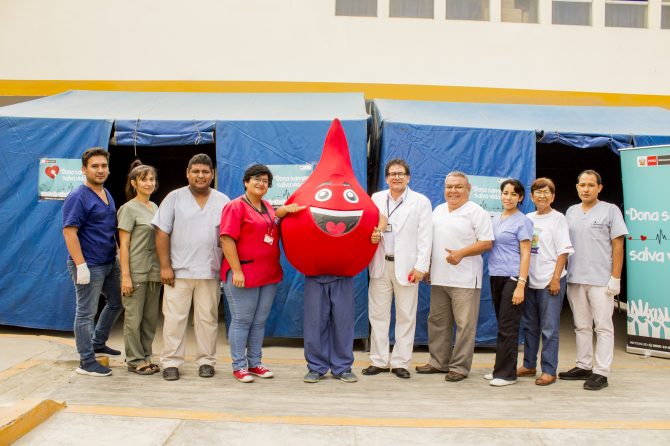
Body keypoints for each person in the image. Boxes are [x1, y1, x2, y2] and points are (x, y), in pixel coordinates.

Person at [220, 164, 305, 383]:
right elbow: (226, 239)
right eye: (256, 179)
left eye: (266, 181)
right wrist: (236, 270)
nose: (261, 183)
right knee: (241, 320)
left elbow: (274, 221)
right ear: (246, 182)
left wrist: (284, 212)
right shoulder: (235, 206)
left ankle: (255, 363)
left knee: (259, 322)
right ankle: (239, 366)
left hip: (268, 275)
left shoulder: (267, 206)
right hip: (243, 274)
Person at [152, 153, 230, 381]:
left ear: (212, 174)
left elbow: (229, 237)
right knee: (175, 319)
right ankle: (171, 362)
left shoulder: (223, 200)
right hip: (178, 272)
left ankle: (206, 361)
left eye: (205, 172)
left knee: (208, 320)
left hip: (209, 271)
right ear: (187, 173)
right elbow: (161, 232)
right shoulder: (174, 198)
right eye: (195, 171)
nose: (200, 175)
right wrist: (165, 266)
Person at [416, 171, 493, 382]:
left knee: (464, 325)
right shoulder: (438, 210)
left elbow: (486, 242)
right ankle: (438, 362)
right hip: (439, 278)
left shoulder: (477, 212)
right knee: (437, 321)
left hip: (465, 280)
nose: (453, 191)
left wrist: (461, 253)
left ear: (468, 189)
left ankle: (459, 367)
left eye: (458, 186)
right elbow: (430, 241)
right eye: (449, 187)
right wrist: (429, 267)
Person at [364, 159, 432, 380]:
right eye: (392, 174)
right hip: (380, 264)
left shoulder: (421, 201)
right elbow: (367, 227)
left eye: (401, 173)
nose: (396, 177)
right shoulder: (375, 199)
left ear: (408, 177)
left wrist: (421, 266)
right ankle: (379, 361)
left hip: (408, 267)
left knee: (406, 316)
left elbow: (425, 237)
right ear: (386, 178)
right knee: (378, 315)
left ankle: (401, 362)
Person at [559, 170, 627, 391]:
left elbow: (618, 245)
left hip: (601, 280)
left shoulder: (610, 210)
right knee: (581, 326)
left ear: (600, 187)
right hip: (575, 278)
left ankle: (601, 371)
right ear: (577, 187)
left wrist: (615, 277)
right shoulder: (570, 211)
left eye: (590, 185)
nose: (586, 189)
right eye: (582, 185)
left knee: (603, 326)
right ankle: (584, 365)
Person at [62, 147, 123, 377]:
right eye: (95, 166)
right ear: (84, 169)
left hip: (109, 262)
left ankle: (98, 342)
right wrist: (80, 265)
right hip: (89, 264)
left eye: (103, 166)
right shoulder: (78, 196)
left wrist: (116, 252)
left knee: (117, 302)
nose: (100, 170)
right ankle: (86, 361)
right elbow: (69, 232)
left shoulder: (107, 194)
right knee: (86, 312)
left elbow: (108, 228)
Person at [519, 178, 574, 386]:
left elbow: (563, 251)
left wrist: (555, 279)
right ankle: (529, 365)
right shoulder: (527, 218)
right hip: (530, 281)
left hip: (550, 281)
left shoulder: (558, 218)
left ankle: (549, 370)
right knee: (530, 327)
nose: (542, 195)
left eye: (547, 192)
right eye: (538, 192)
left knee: (549, 329)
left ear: (553, 196)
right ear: (531, 196)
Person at [486, 178, 533, 387]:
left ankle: (507, 375)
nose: (508, 197)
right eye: (505, 193)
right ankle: (500, 369)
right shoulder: (495, 219)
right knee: (502, 324)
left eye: (514, 194)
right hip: (496, 276)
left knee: (509, 326)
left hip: (514, 278)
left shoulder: (523, 221)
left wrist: (521, 283)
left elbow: (525, 253)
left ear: (520, 198)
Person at [117, 160, 161, 375]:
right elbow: (123, 244)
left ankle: (146, 355)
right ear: (134, 183)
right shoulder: (128, 209)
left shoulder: (155, 207)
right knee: (133, 319)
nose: (149, 183)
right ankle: (134, 360)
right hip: (135, 271)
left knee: (150, 318)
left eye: (152, 179)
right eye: (144, 179)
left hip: (154, 271)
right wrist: (125, 276)